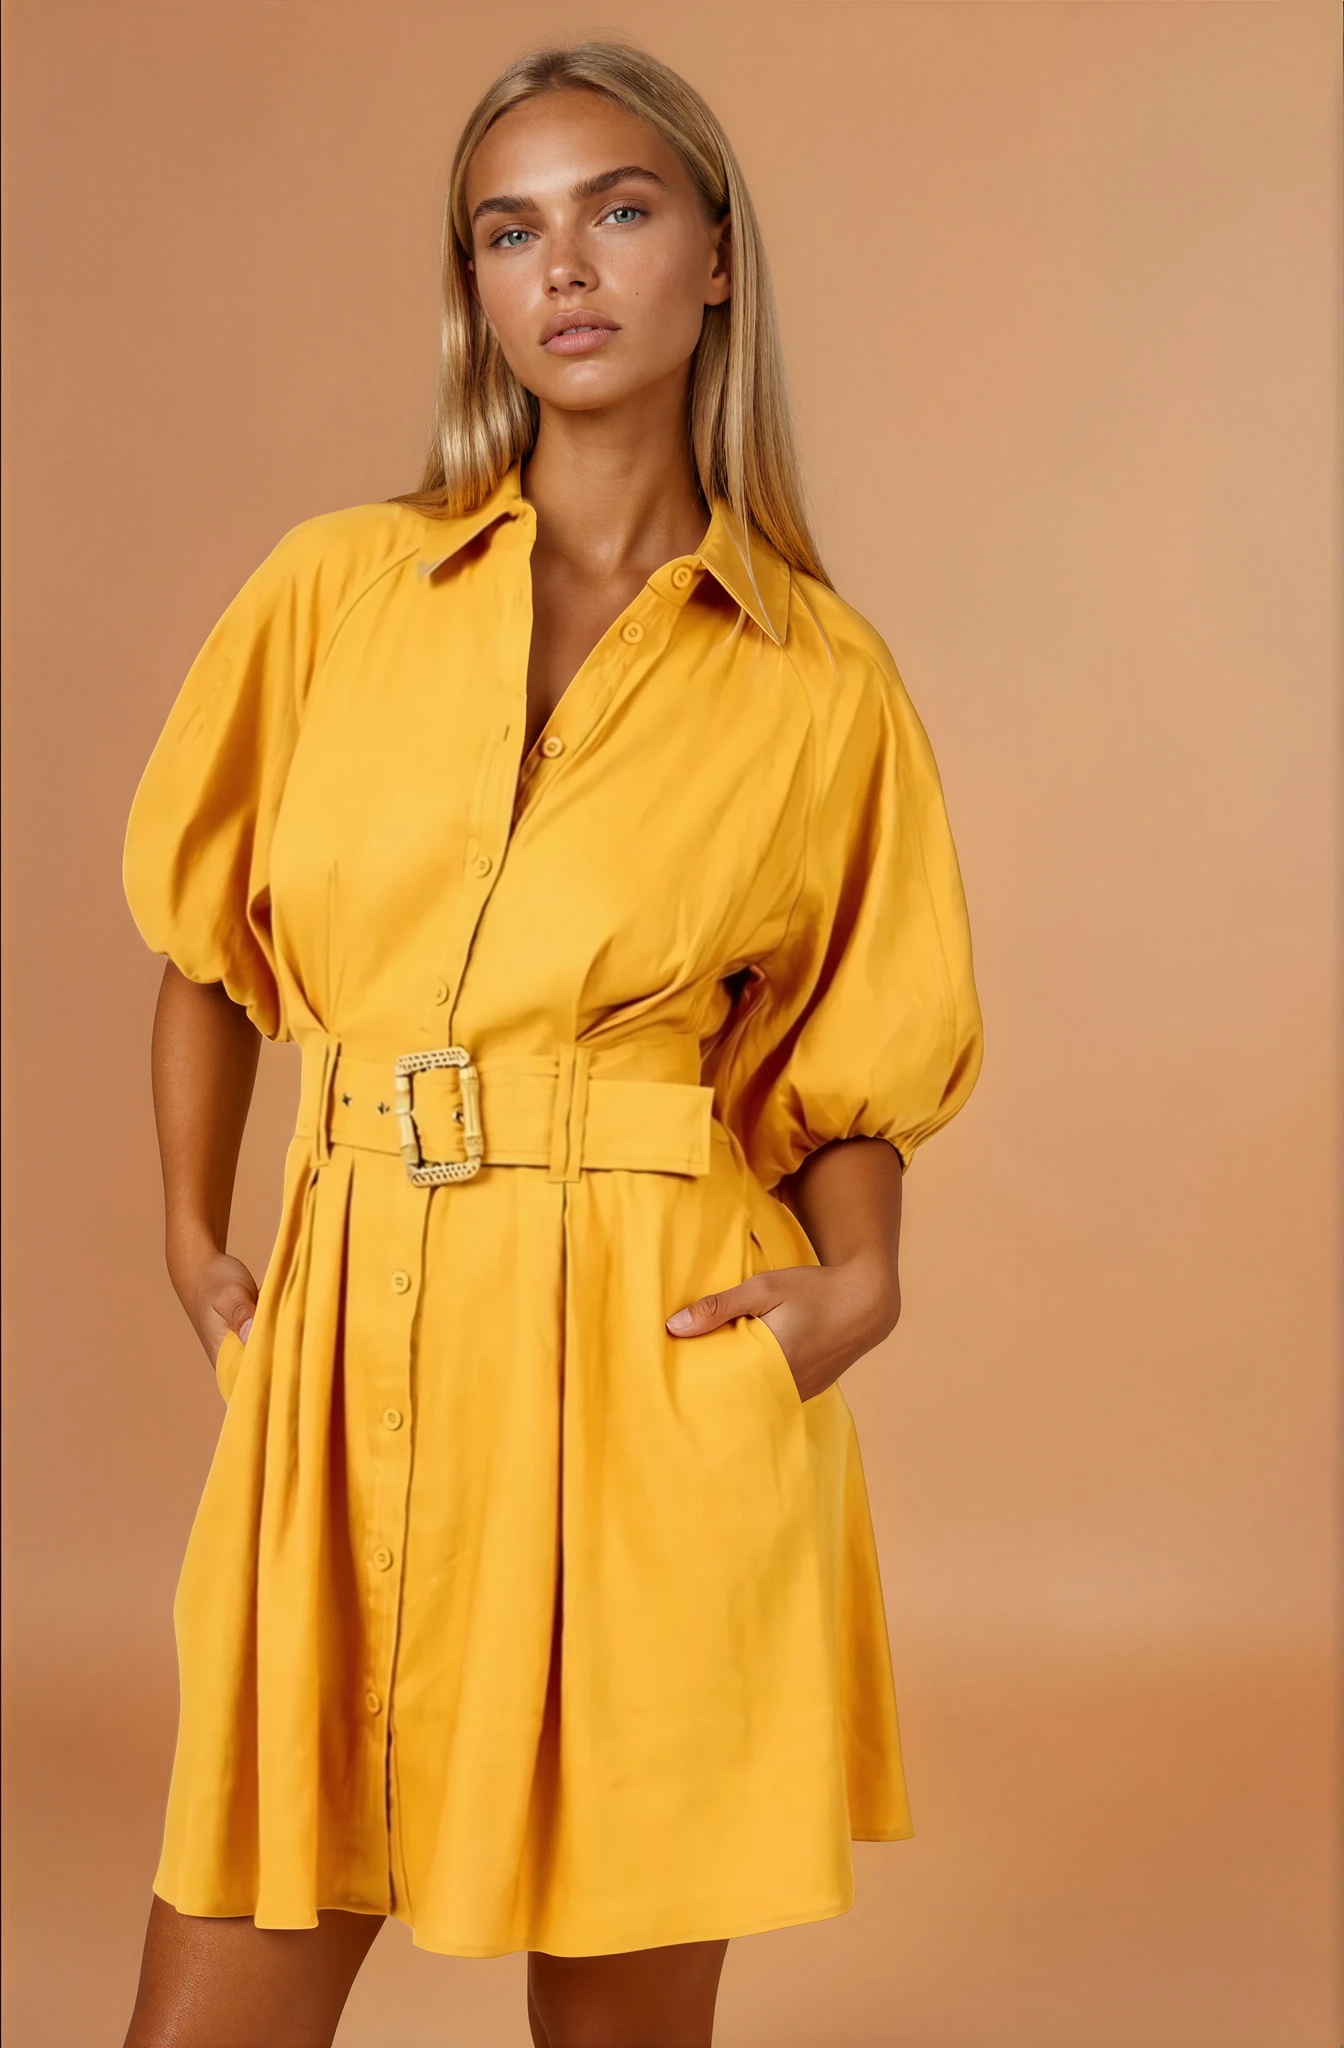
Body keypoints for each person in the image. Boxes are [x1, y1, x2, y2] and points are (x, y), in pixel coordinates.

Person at [119, 38, 982, 2048]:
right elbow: (209, 952)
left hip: (651, 1364)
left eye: (619, 210)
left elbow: (853, 1049)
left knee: (619, 2030)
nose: (565, 267)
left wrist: (860, 1282)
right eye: (510, 232)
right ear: (477, 289)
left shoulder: (819, 680)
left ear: (716, 260)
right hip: (348, 1345)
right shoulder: (333, 593)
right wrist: (190, 1234)